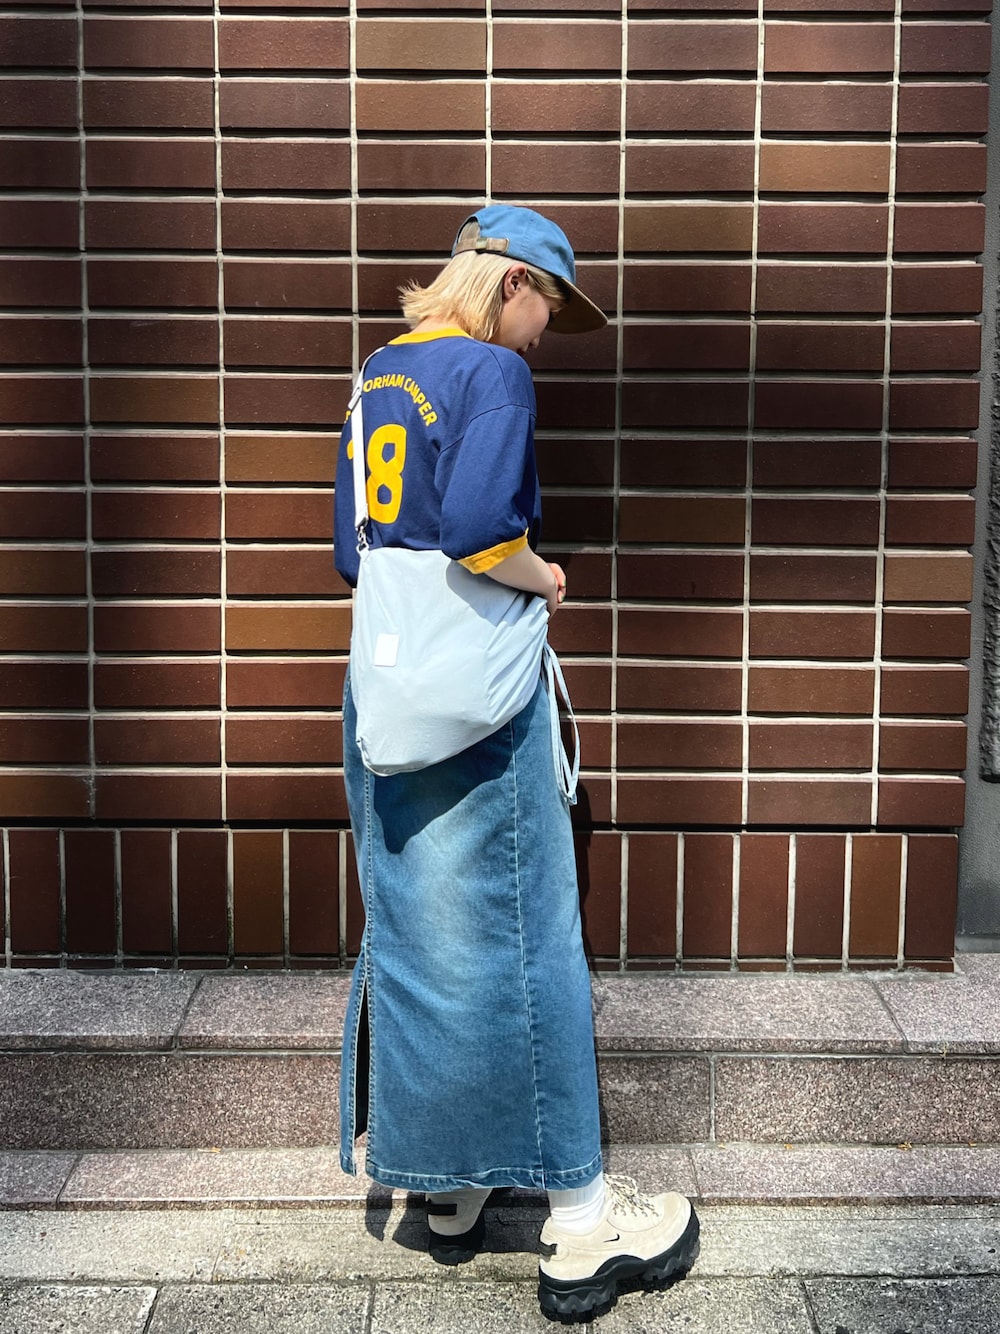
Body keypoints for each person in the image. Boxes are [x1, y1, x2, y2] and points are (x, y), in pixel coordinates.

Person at [333, 204, 699, 1322]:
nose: (545, 336)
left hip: (384, 686)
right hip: (479, 696)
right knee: (531, 934)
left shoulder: (380, 372)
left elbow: (350, 550)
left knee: (422, 933)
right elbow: (484, 529)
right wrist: (545, 577)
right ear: (509, 286)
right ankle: (583, 1220)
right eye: (548, 308)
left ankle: (450, 1186)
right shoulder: (492, 371)